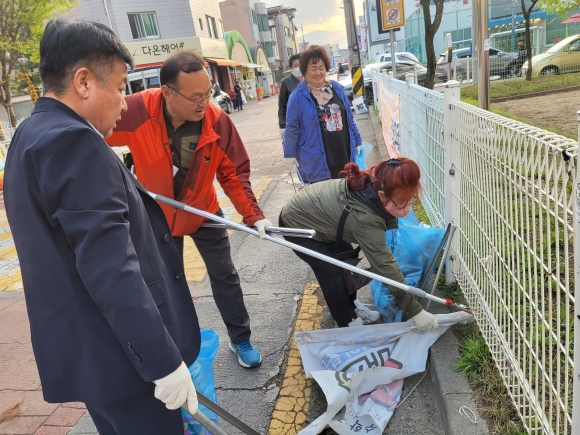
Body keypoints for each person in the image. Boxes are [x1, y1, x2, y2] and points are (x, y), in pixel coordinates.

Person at [4, 20, 200, 433]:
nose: (125, 103)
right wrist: (163, 363)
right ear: (84, 82)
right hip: (124, 358)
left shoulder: (29, 134)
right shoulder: (75, 142)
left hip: (90, 357)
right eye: (121, 86)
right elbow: (110, 267)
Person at [106, 50, 272, 369]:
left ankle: (241, 338)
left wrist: (254, 216)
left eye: (207, 93)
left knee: (225, 275)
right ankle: (174, 351)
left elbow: (233, 173)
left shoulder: (217, 121)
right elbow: (95, 131)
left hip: (202, 211)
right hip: (158, 216)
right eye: (195, 97)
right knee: (164, 286)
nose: (204, 103)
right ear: (167, 92)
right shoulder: (137, 110)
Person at [279, 158, 438, 331]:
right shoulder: (365, 218)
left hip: (320, 216)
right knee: (331, 271)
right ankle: (349, 324)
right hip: (297, 224)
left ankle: (353, 307)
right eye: (401, 203)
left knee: (348, 261)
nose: (406, 207)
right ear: (382, 195)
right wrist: (415, 311)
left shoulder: (375, 183)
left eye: (409, 201)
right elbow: (384, 264)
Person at [284, 45, 362, 183]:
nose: (318, 72)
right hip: (316, 161)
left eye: (321, 68)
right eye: (313, 68)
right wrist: (289, 153)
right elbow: (292, 128)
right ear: (304, 71)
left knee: (344, 193)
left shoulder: (337, 89)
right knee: (323, 195)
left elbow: (349, 119)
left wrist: (358, 140)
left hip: (343, 155)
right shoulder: (297, 97)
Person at [278, 54, 303, 139]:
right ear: (291, 67)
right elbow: (282, 105)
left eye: (300, 65)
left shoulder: (309, 80)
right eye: (295, 66)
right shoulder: (286, 82)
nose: (298, 68)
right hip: (292, 122)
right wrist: (282, 125)